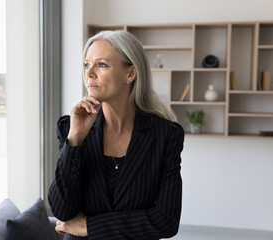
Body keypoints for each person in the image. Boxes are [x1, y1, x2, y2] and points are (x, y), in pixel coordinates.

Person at [48, 30, 184, 240]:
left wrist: (89, 227)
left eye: (101, 64)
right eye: (86, 64)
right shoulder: (70, 128)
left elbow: (166, 221)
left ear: (130, 74)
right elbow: (62, 211)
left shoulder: (166, 135)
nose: (89, 73)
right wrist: (75, 139)